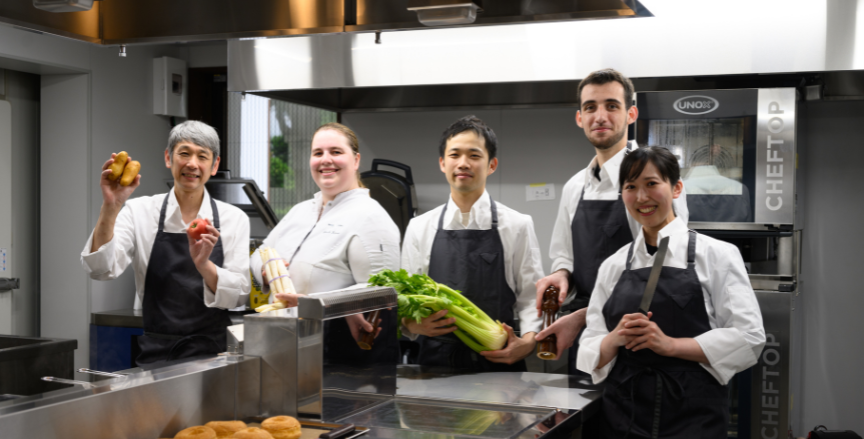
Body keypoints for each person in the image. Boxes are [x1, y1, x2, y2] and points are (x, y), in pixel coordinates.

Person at [577, 146, 765, 439]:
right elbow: (591, 341)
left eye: (652, 184)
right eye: (630, 187)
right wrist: (614, 339)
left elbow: (749, 337)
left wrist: (670, 345)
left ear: (676, 188)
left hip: (691, 420)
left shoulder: (717, 255)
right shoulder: (613, 265)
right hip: (624, 416)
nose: (641, 197)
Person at [535, 69, 689, 369]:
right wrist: (560, 275)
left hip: (644, 330)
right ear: (580, 118)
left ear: (631, 114)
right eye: (590, 107)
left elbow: (666, 268)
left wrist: (585, 315)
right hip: (588, 336)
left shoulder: (658, 183)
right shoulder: (574, 187)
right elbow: (563, 256)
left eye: (612, 106)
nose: (600, 116)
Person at [81, 120, 251, 366]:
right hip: (156, 354)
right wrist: (111, 207)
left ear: (214, 165)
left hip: (214, 357)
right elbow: (100, 269)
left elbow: (239, 296)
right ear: (168, 158)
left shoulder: (233, 219)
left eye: (202, 156)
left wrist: (204, 265)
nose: (192, 163)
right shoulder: (139, 211)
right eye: (184, 153)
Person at [401, 115, 544, 371]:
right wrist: (411, 325)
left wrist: (528, 342)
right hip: (434, 367)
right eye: (454, 155)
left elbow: (531, 298)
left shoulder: (517, 224)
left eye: (474, 156)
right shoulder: (419, 227)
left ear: (492, 165)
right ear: (442, 163)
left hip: (499, 366)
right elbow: (407, 299)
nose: (463, 163)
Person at [250, 122, 401, 364]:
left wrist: (312, 303)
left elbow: (382, 292)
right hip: (284, 344)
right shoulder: (300, 211)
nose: (325, 160)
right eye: (318, 153)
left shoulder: (371, 217)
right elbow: (261, 252)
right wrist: (267, 271)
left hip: (338, 352)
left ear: (356, 160)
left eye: (336, 152)